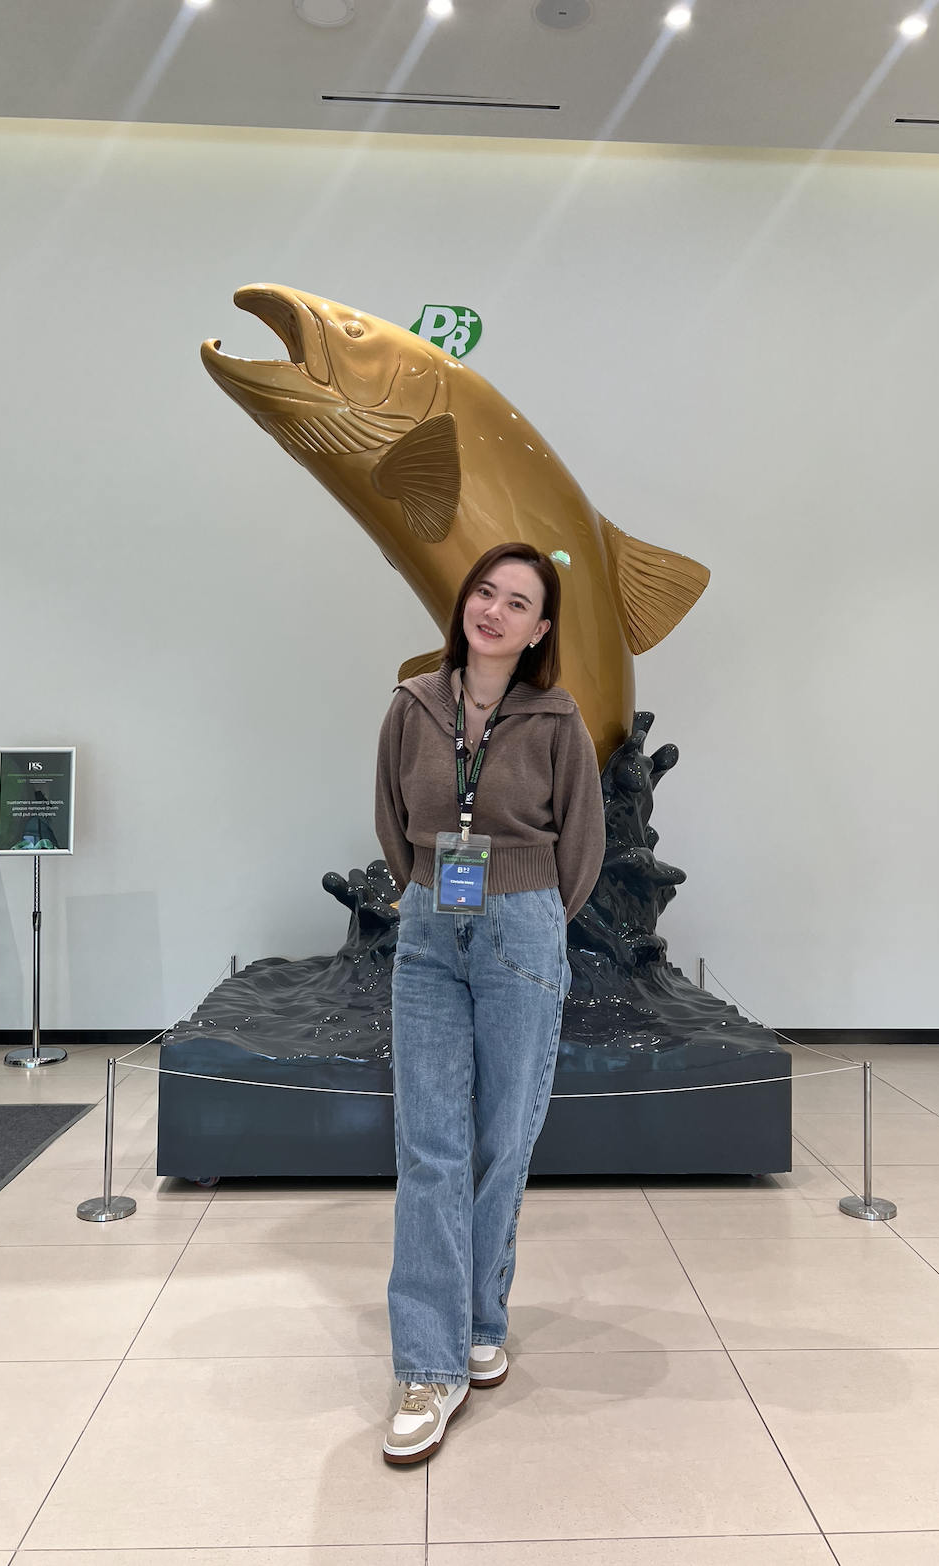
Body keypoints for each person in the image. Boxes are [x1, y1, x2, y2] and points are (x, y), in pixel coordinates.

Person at [375, 541, 607, 1465]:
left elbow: (581, 847)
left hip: (522, 927)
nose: (495, 611)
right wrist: (432, 892)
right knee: (428, 1144)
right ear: (463, 603)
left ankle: (480, 1317)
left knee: (502, 1137)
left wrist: (530, 912)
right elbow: (393, 824)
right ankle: (427, 1365)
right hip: (429, 930)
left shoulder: (556, 719)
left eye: (518, 602)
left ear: (539, 629)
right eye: (485, 592)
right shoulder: (411, 705)